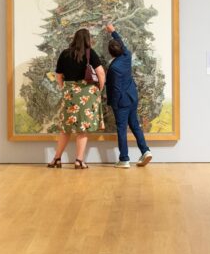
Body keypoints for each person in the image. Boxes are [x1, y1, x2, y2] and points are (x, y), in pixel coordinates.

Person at [48, 28, 106, 170]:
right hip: (86, 94)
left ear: (74, 38)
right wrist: (99, 89)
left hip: (69, 94)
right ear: (88, 39)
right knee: (82, 129)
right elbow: (101, 73)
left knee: (65, 129)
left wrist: (65, 88)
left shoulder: (65, 53)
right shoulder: (89, 53)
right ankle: (79, 161)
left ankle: (56, 159)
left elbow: (58, 75)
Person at [104, 23, 152, 168]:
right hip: (132, 97)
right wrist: (113, 31)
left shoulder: (114, 68)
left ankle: (124, 159)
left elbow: (116, 90)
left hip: (122, 103)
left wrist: (113, 104)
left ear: (110, 53)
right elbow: (122, 45)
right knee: (135, 125)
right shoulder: (127, 56)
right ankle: (145, 151)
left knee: (122, 129)